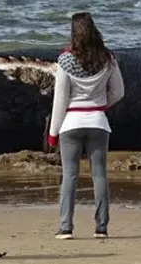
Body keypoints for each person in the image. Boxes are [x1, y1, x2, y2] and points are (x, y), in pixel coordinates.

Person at [47, 12, 125, 240]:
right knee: (99, 175)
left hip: (71, 122)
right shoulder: (108, 58)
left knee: (69, 175)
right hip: (99, 122)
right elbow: (119, 92)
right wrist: (101, 105)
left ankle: (65, 228)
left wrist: (53, 133)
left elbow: (60, 100)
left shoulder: (65, 60)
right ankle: (101, 227)